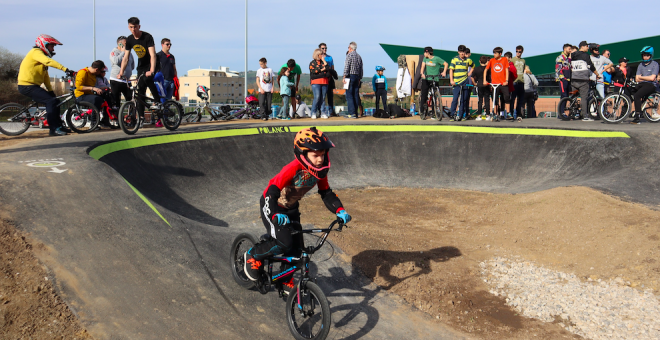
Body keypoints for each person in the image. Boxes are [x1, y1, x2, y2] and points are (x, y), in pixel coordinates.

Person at [243, 127, 352, 289]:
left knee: (296, 251)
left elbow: (326, 193)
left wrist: (340, 210)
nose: (320, 159)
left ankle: (283, 278)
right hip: (272, 204)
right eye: (316, 155)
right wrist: (274, 213)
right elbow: (272, 190)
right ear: (303, 154)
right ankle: (252, 255)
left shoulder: (319, 172)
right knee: (284, 243)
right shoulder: (293, 168)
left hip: (291, 208)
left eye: (323, 155)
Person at [17, 34, 75, 136]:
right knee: (51, 102)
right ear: (44, 45)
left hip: (33, 86)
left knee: (56, 101)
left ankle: (59, 126)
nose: (53, 49)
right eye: (51, 46)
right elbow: (48, 61)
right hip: (26, 85)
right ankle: (53, 129)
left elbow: (45, 77)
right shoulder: (36, 52)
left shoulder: (40, 59)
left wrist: (50, 91)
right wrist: (65, 69)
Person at [119, 17, 161, 122]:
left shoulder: (147, 37)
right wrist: (121, 73)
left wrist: (151, 70)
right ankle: (141, 117)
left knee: (147, 79)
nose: (133, 29)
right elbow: (126, 58)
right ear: (128, 27)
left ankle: (157, 101)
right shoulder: (129, 39)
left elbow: (153, 55)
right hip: (141, 66)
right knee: (140, 90)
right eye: (131, 27)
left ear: (139, 26)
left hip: (152, 63)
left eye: (135, 27)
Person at [570, 41, 599, 121]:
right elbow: (591, 66)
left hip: (574, 79)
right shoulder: (585, 55)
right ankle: (585, 116)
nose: (588, 48)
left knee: (573, 97)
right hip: (583, 80)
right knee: (584, 98)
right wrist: (597, 74)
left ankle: (572, 114)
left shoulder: (573, 55)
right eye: (587, 46)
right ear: (582, 46)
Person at [631, 46, 659, 124]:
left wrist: (641, 77)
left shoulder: (655, 64)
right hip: (641, 84)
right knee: (630, 91)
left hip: (651, 85)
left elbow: (652, 78)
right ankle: (638, 106)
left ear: (650, 55)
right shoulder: (640, 65)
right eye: (644, 55)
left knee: (637, 95)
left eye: (647, 55)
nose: (645, 57)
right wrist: (646, 77)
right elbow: (637, 79)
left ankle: (637, 116)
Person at [419, 46, 448, 119]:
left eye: (425, 52)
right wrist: (422, 73)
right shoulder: (425, 59)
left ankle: (434, 112)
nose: (424, 54)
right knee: (424, 95)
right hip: (426, 78)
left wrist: (444, 72)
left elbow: (446, 64)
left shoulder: (437, 59)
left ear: (428, 52)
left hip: (435, 78)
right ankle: (422, 112)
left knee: (435, 96)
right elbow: (422, 67)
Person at [75, 60, 107, 125]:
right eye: (101, 71)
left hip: (90, 94)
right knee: (97, 99)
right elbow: (78, 87)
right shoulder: (83, 72)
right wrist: (93, 88)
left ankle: (106, 120)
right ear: (96, 70)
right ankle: (93, 122)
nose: (102, 73)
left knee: (107, 97)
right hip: (81, 96)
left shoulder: (94, 74)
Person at [483, 47, 510, 121]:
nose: (494, 54)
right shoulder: (492, 60)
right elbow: (486, 70)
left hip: (503, 83)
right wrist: (484, 80)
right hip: (495, 84)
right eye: (493, 53)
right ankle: (495, 114)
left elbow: (506, 70)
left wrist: (506, 80)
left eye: (495, 53)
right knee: (494, 99)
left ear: (500, 54)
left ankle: (508, 113)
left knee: (507, 97)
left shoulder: (504, 59)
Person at [449, 45, 474, 121]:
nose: (462, 53)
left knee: (463, 99)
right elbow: (451, 70)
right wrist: (451, 80)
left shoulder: (468, 60)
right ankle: (452, 114)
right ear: (458, 52)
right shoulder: (454, 59)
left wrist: (469, 73)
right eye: (460, 52)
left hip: (465, 82)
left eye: (463, 52)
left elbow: (473, 66)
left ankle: (461, 115)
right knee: (455, 98)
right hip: (456, 82)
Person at [110, 36, 134, 110]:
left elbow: (132, 65)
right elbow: (116, 61)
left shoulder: (129, 53)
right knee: (116, 100)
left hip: (126, 80)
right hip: (116, 80)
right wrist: (123, 52)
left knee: (130, 99)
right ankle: (117, 118)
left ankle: (131, 117)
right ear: (120, 44)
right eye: (126, 43)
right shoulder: (114, 52)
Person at [343, 42, 363, 118]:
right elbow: (361, 69)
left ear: (350, 48)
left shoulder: (349, 55)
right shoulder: (359, 56)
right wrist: (359, 78)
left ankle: (352, 113)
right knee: (355, 95)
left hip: (349, 76)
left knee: (349, 95)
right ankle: (356, 113)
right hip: (357, 77)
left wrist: (344, 76)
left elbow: (347, 67)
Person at [309, 49, 330, 119]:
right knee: (317, 97)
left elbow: (328, 69)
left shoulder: (324, 62)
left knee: (323, 98)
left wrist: (324, 61)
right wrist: (322, 70)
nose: (322, 55)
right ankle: (313, 112)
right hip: (315, 83)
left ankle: (323, 112)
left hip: (324, 82)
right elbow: (313, 72)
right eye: (321, 54)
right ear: (317, 55)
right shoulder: (312, 63)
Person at [555, 43, 572, 118]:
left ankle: (562, 113)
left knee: (566, 96)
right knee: (563, 96)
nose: (570, 50)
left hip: (568, 80)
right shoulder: (560, 58)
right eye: (569, 49)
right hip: (563, 80)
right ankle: (561, 113)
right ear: (565, 49)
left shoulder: (567, 59)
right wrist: (562, 78)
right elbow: (558, 69)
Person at [319, 43, 336, 116]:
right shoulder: (318, 57)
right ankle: (320, 111)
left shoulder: (330, 57)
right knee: (321, 96)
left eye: (325, 48)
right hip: (321, 78)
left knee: (330, 96)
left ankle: (331, 111)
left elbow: (332, 68)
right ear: (320, 49)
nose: (324, 49)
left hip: (329, 78)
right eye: (323, 48)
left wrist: (330, 76)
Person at [471, 55, 491, 120]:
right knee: (487, 100)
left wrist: (474, 83)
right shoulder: (488, 69)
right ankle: (488, 115)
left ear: (479, 61)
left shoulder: (476, 69)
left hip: (479, 85)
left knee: (480, 100)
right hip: (486, 85)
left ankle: (479, 115)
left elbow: (472, 77)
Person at [510, 45, 526, 118]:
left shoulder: (523, 61)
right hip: (514, 82)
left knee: (520, 100)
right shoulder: (512, 60)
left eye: (519, 52)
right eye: (517, 51)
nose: (518, 53)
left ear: (522, 52)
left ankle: (519, 114)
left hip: (521, 82)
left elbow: (523, 70)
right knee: (512, 99)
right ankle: (511, 113)